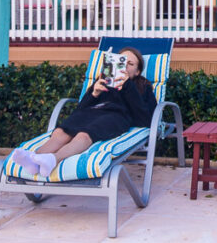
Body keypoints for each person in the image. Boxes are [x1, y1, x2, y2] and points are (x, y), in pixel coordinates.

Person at [9, 47, 157, 177]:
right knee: (61, 132)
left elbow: (145, 119)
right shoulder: (104, 80)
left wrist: (128, 86)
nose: (124, 66)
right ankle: (34, 159)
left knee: (84, 135)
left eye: (130, 64)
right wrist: (94, 93)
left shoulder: (142, 86)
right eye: (122, 61)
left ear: (137, 71)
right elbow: (80, 109)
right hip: (91, 112)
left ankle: (54, 158)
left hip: (116, 117)